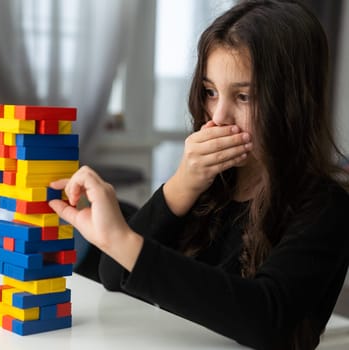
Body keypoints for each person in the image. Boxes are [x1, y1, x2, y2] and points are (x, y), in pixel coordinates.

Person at [48, 0, 349, 349]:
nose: (218, 117)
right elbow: (114, 276)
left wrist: (122, 240)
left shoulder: (327, 206)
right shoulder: (211, 184)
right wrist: (179, 186)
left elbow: (267, 320)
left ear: (293, 100)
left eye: (244, 96)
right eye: (210, 92)